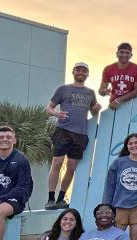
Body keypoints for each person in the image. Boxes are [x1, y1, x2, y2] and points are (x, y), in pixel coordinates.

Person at [45, 62, 101, 210]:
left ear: (87, 74)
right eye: (78, 70)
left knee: (71, 166)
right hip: (63, 130)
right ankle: (50, 199)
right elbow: (49, 108)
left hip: (80, 134)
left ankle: (61, 199)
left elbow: (94, 111)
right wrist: (56, 113)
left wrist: (97, 107)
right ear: (73, 72)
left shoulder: (90, 92)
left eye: (84, 70)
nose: (81, 72)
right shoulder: (63, 89)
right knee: (57, 163)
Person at [103, 133, 137, 240]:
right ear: (127, 147)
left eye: (136, 142)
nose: (133, 145)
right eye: (130, 143)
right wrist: (106, 206)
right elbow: (109, 186)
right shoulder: (118, 162)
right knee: (113, 237)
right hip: (118, 207)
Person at [99, 42, 137, 109]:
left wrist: (119, 100)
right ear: (117, 54)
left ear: (131, 55)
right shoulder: (108, 69)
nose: (124, 55)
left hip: (131, 104)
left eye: (127, 53)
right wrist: (103, 92)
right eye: (121, 52)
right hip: (113, 104)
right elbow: (102, 90)